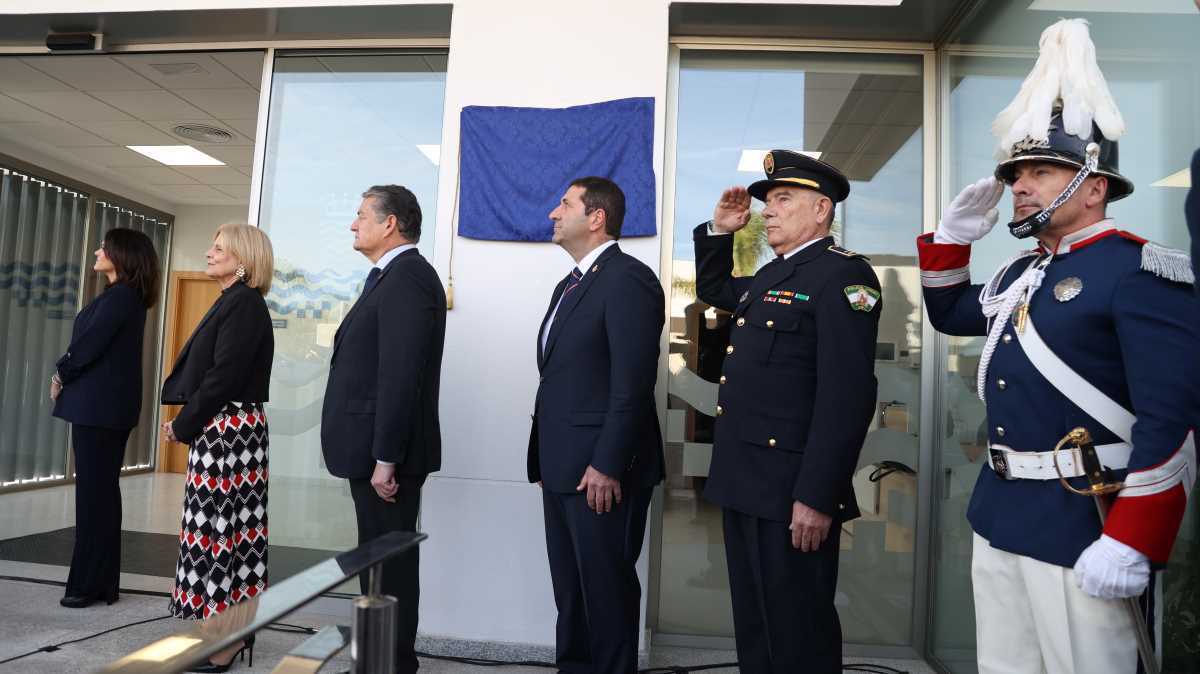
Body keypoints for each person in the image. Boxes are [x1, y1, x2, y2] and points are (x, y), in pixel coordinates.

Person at [917, 19, 1198, 673]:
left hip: (1087, 523)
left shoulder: (1140, 270)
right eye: (1018, 172)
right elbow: (954, 312)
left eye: (1041, 171)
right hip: (1004, 512)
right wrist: (952, 238)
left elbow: (1176, 419)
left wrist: (1134, 536)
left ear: (1093, 186)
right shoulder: (1019, 274)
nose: (1019, 185)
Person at [693, 150, 881, 674]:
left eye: (782, 199)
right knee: (756, 623)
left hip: (792, 490)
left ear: (821, 210)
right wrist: (720, 230)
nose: (768, 211)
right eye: (767, 201)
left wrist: (817, 496)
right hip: (746, 481)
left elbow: (847, 398)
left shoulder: (843, 278)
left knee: (799, 631)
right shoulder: (774, 274)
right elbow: (713, 288)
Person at [528, 176, 664, 674]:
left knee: (605, 598)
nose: (553, 213)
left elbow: (632, 384)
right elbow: (562, 379)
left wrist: (606, 464)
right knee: (572, 594)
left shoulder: (628, 279)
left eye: (564, 204)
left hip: (602, 475)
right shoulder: (571, 284)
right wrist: (543, 454)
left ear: (596, 217)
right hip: (563, 468)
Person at [321, 185, 445, 674]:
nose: (354, 224)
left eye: (360, 215)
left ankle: (390, 665)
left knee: (389, 568)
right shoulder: (388, 277)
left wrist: (386, 458)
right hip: (374, 452)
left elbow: (400, 374)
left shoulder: (409, 278)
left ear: (389, 223)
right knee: (377, 565)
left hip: (385, 458)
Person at [160, 223, 275, 672]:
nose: (208, 253)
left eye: (219, 248)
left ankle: (228, 641)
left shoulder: (244, 304)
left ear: (243, 260)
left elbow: (223, 377)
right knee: (213, 534)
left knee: (229, 536)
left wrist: (184, 424)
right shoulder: (234, 301)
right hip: (222, 430)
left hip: (231, 432)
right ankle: (217, 631)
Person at [51, 227, 160, 609]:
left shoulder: (120, 298)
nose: (98, 251)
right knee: (101, 497)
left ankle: (87, 585)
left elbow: (87, 346)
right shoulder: (126, 298)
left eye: (105, 247)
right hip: (105, 411)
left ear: (122, 256)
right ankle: (98, 584)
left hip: (99, 412)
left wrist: (61, 372)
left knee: (94, 498)